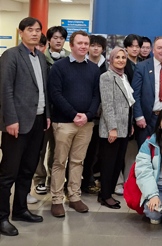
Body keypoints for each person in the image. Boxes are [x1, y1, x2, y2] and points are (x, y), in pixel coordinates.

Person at [0, 17, 50, 236]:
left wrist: (47, 115)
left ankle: (20, 210)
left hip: (37, 121)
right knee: (9, 173)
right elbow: (5, 90)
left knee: (28, 170)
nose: (35, 34)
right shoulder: (11, 56)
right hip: (17, 123)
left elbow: (42, 90)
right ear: (21, 32)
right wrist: (11, 119)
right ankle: (0, 218)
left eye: (38, 30)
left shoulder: (40, 57)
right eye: (30, 30)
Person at [47, 31, 101, 218]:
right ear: (71, 45)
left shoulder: (93, 69)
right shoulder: (59, 67)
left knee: (78, 161)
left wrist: (87, 115)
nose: (84, 46)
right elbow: (55, 94)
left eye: (86, 43)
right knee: (59, 161)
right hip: (64, 122)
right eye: (80, 43)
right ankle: (56, 199)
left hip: (86, 124)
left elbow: (96, 95)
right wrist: (73, 114)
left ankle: (75, 196)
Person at [98, 47, 135, 209]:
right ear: (111, 59)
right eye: (117, 57)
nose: (121, 60)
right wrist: (112, 128)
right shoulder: (107, 77)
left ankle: (107, 193)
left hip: (124, 127)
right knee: (108, 163)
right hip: (111, 129)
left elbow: (128, 102)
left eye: (123, 57)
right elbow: (107, 104)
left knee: (117, 163)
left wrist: (130, 124)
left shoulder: (123, 76)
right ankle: (105, 195)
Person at [33, 27, 68, 196]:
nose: (58, 41)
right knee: (40, 148)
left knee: (57, 149)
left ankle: (54, 180)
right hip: (44, 111)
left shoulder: (70, 58)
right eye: (55, 38)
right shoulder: (40, 58)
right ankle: (39, 179)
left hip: (62, 113)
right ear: (49, 40)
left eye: (61, 38)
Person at [132, 36, 162, 148]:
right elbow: (135, 94)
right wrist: (138, 116)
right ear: (153, 50)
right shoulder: (141, 67)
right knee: (146, 155)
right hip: (147, 119)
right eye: (159, 48)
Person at [81, 34, 109, 196]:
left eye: (99, 46)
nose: (95, 48)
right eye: (93, 45)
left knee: (94, 152)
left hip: (100, 118)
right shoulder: (82, 64)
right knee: (79, 152)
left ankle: (89, 181)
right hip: (83, 115)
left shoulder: (107, 66)